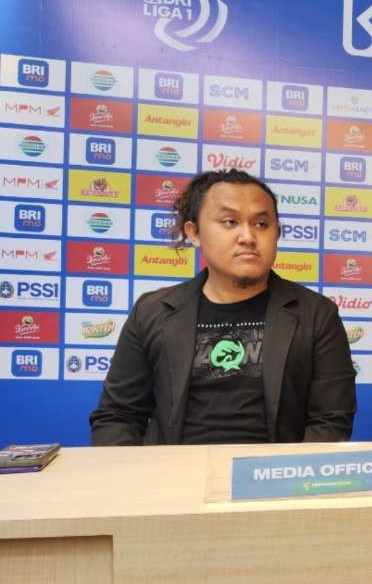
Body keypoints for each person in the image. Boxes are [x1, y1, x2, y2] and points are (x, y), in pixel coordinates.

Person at [89, 169, 356, 445]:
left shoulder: (316, 314)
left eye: (262, 224)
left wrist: (287, 479)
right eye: (230, 222)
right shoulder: (153, 311)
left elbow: (330, 422)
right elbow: (118, 416)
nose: (248, 237)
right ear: (194, 232)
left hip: (273, 478)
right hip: (173, 479)